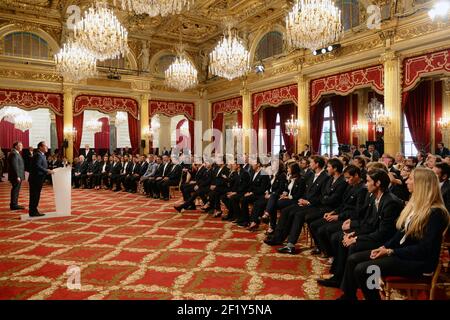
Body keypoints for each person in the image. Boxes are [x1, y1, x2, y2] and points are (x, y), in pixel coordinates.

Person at [339, 167, 449, 300]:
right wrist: (384, 247)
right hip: (404, 253)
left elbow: (425, 249)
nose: (406, 181)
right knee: (353, 259)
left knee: (363, 269)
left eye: (410, 179)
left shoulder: (436, 212)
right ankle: (349, 296)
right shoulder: (417, 206)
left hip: (419, 261)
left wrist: (391, 251)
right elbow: (400, 234)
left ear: (422, 184)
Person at [28, 141, 53, 217]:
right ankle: (33, 211)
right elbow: (37, 166)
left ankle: (33, 210)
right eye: (45, 146)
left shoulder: (42, 155)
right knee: (34, 195)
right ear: (40, 147)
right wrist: (47, 171)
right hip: (36, 179)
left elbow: (41, 166)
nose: (47, 147)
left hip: (38, 179)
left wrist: (46, 170)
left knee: (36, 195)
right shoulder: (38, 155)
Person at [7, 141, 25, 210]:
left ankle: (15, 204)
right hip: (16, 176)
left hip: (17, 175)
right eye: (20, 145)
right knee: (15, 190)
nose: (22, 147)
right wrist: (17, 176)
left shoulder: (15, 153)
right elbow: (15, 166)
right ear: (15, 146)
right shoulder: (14, 154)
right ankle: (14, 205)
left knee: (16, 190)